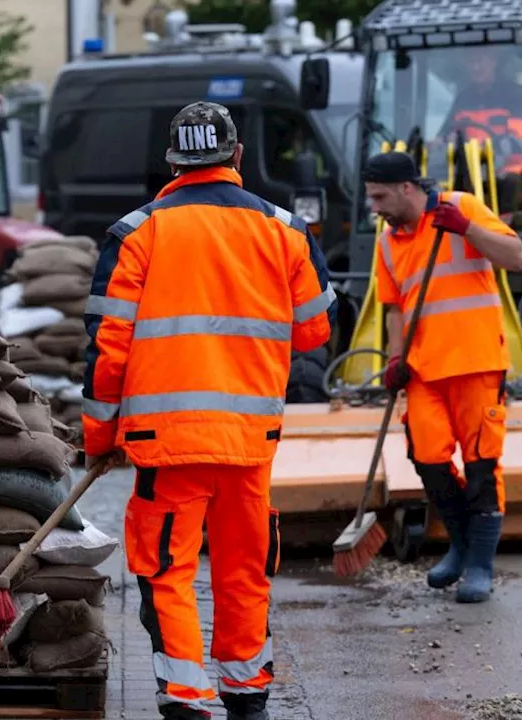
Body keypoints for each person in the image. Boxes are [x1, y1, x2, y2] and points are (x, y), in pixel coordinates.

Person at [82, 101, 335, 720]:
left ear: (171, 161)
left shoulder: (135, 234)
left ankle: (187, 698)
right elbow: (315, 333)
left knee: (167, 571)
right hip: (249, 440)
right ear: (237, 156)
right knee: (244, 571)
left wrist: (99, 438)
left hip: (164, 444)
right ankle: (247, 696)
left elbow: (106, 351)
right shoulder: (286, 229)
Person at [364, 151, 522, 604]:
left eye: (380, 196)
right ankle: (458, 544)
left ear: (406, 189)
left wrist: (467, 229)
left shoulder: (463, 208)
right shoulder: (386, 242)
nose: (374, 207)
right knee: (429, 461)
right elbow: (395, 308)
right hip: (423, 371)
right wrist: (395, 359)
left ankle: (479, 564)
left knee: (480, 468)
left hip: (476, 364)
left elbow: (515, 258)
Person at [435, 46, 522, 211]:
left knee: (509, 182)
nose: (476, 67)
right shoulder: (463, 98)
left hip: (510, 168)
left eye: (481, 61)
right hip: (469, 170)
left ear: (494, 62)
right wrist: (437, 143)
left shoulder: (518, 96)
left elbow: (518, 142)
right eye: (471, 61)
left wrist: (484, 152)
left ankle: (502, 231)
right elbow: (445, 134)